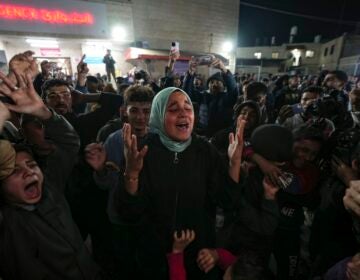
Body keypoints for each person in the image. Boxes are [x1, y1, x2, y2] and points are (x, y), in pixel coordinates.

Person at [109, 87, 244, 279]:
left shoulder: (205, 151)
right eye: (173, 109)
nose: (183, 113)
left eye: (188, 108)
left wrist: (234, 163)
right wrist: (131, 174)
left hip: (199, 255)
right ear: (158, 115)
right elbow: (129, 213)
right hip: (154, 256)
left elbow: (227, 201)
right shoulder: (140, 152)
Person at [0, 71, 100, 279]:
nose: (28, 172)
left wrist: (44, 113)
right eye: (16, 171)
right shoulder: (8, 224)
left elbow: (69, 142)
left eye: (31, 165)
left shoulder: (50, 190)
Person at [182, 57, 238, 137]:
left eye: (218, 82)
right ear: (208, 85)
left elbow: (233, 90)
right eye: (211, 82)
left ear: (223, 85)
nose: (214, 84)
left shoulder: (227, 98)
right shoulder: (203, 96)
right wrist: (190, 74)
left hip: (220, 136)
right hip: (202, 134)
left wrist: (224, 70)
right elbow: (187, 93)